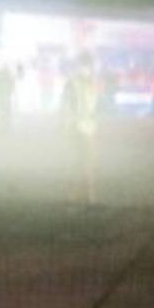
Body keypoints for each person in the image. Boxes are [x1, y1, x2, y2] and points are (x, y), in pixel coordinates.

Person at [61, 54, 99, 205]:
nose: (86, 69)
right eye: (85, 65)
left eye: (88, 65)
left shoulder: (91, 83)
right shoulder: (73, 83)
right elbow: (66, 105)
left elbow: (94, 106)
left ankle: (87, 194)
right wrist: (67, 123)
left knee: (86, 160)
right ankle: (79, 194)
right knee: (79, 160)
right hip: (78, 125)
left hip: (88, 126)